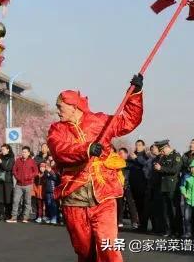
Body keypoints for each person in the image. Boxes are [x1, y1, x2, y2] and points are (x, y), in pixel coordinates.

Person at [47, 73, 143, 262]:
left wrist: (135, 94)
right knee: (85, 252)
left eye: (60, 107)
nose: (57, 111)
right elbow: (59, 150)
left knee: (109, 247)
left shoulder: (99, 121)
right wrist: (87, 149)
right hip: (74, 197)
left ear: (74, 106)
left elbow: (128, 121)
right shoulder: (56, 129)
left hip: (104, 195)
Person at [153, 140, 182, 237]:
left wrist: (161, 169)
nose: (161, 152)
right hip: (163, 186)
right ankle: (168, 229)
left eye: (162, 150)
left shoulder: (176, 156)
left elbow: (174, 170)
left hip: (172, 187)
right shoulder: (162, 157)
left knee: (174, 210)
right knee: (165, 210)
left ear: (167, 147)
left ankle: (177, 230)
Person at [7, 146, 38, 223]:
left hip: (28, 185)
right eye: (22, 152)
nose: (23, 153)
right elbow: (14, 170)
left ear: (28, 153)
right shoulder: (18, 160)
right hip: (18, 185)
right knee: (15, 200)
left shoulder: (32, 161)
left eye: (25, 152)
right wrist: (17, 177)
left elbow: (36, 171)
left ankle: (25, 218)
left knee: (27, 202)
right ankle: (13, 217)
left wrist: (29, 177)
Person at [117, 147, 139, 229]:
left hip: (128, 185)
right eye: (119, 153)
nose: (120, 155)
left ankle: (134, 222)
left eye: (121, 153)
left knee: (131, 204)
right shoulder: (117, 163)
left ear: (126, 154)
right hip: (119, 186)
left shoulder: (130, 162)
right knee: (120, 204)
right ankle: (119, 221)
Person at [0, 144, 15, 221]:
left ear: (8, 149)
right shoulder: (0, 157)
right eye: (1, 149)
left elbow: (8, 168)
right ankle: (0, 214)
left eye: (4, 149)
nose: (2, 151)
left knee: (7, 198)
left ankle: (8, 214)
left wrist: (1, 162)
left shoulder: (11, 158)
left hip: (7, 180)